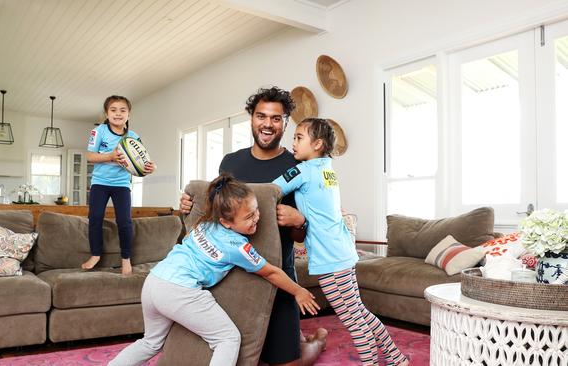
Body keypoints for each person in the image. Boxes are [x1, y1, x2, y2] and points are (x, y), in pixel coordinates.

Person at [180, 87, 327, 366]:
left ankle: (316, 342)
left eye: (276, 118)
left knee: (288, 363)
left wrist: (300, 220)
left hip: (279, 273)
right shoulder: (231, 162)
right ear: (251, 118)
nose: (267, 124)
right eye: (261, 116)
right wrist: (188, 205)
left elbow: (304, 232)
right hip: (233, 274)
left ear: (285, 123)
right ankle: (296, 338)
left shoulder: (296, 164)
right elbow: (216, 213)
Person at [109, 174, 320, 366]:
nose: (256, 218)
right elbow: (271, 272)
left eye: (256, 210)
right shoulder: (237, 247)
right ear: (226, 222)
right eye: (248, 217)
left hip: (154, 282)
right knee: (227, 338)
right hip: (179, 289)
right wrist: (298, 291)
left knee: (150, 343)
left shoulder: (204, 223)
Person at [272, 118, 409, 366]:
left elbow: (271, 190)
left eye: (299, 137)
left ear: (317, 144)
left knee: (353, 320)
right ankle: (396, 358)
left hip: (330, 258)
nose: (293, 142)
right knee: (359, 312)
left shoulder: (303, 170)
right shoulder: (327, 169)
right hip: (342, 251)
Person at [81, 95, 156, 276]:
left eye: (123, 110)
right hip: (100, 182)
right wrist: (110, 156)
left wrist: (151, 167)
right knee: (95, 217)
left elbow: (142, 163)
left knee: (125, 221)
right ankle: (96, 254)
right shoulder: (98, 131)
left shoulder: (134, 137)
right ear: (107, 114)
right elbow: (89, 156)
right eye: (113, 110)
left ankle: (126, 259)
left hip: (122, 184)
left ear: (128, 115)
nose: (118, 114)